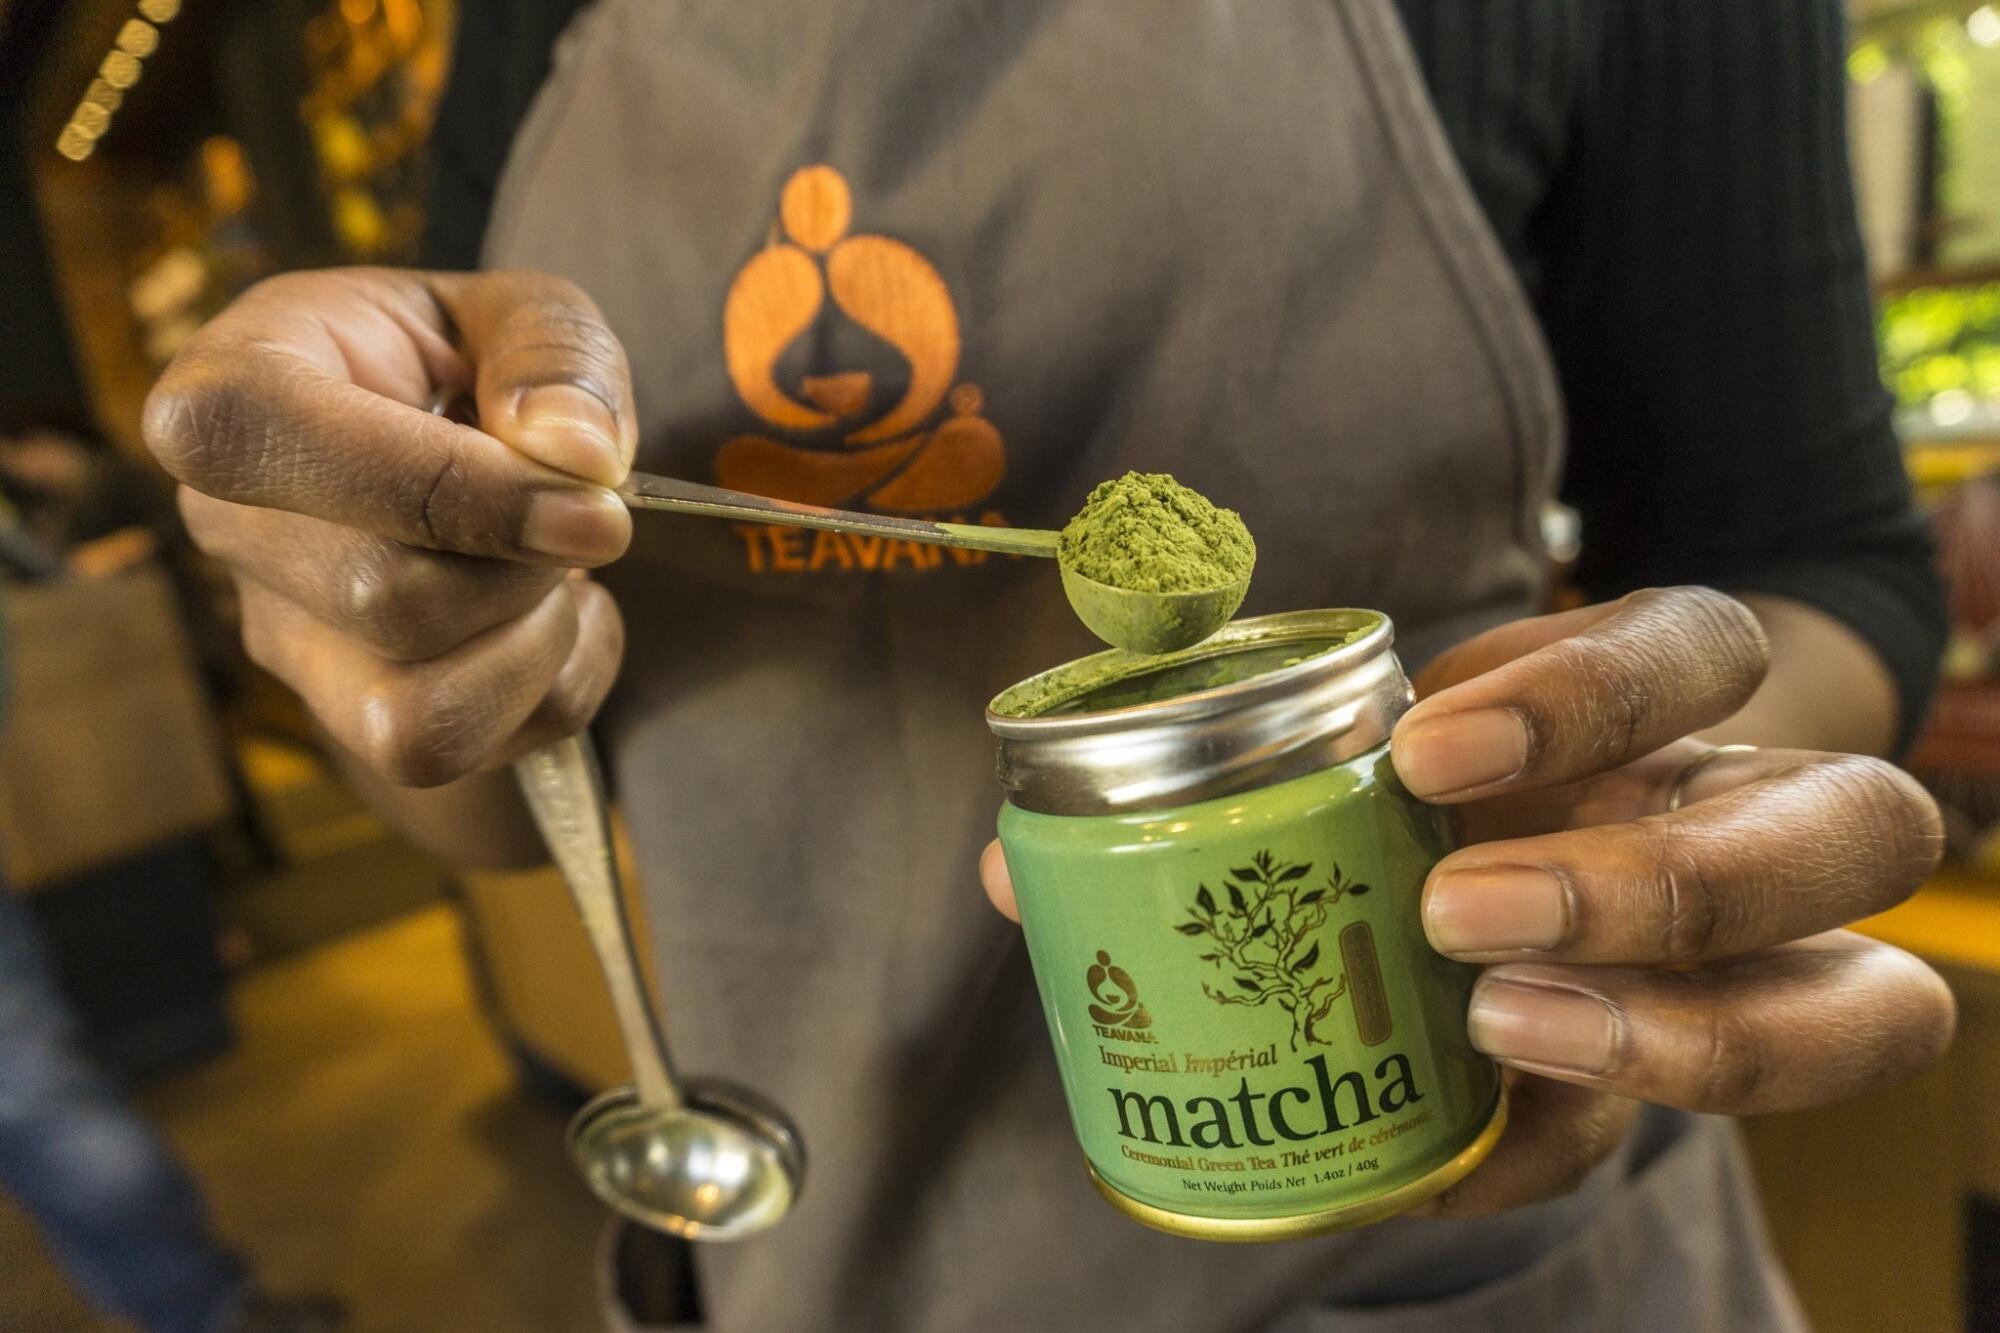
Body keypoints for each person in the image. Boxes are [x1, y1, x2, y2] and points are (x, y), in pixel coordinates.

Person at [143, 0, 1955, 1327]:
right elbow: (496, 813)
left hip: (1468, 1233)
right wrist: (385, 619)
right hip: (808, 1251)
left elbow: (1817, 559)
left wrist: (1630, 843)